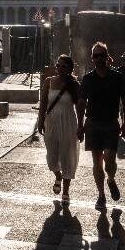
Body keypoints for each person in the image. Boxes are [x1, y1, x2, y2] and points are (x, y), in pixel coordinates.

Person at [77, 42, 125, 211]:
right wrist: (80, 125)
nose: (99, 58)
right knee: (97, 162)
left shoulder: (117, 77)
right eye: (96, 55)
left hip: (111, 123)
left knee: (110, 159)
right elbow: (81, 103)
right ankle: (101, 195)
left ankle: (111, 179)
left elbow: (124, 100)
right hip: (92, 123)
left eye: (102, 55)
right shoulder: (88, 79)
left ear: (107, 56)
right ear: (92, 58)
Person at [37, 55, 81, 203]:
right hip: (51, 122)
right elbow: (43, 103)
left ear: (69, 69)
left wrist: (81, 125)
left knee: (67, 156)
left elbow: (80, 106)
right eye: (58, 65)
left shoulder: (73, 84)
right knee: (51, 157)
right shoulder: (49, 82)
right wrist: (40, 120)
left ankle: (66, 192)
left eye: (64, 66)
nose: (60, 68)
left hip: (68, 123)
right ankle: (58, 176)